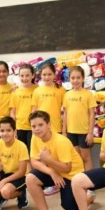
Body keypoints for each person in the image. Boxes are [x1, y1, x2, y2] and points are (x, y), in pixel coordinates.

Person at [25, 110, 85, 210]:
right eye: (34, 126)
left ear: (49, 125)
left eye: (40, 125)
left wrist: (48, 160)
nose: (37, 129)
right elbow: (34, 161)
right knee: (30, 178)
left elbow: (67, 168)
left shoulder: (61, 141)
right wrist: (51, 171)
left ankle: (86, 197)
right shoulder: (35, 138)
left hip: (73, 175)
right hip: (56, 171)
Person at [32, 61, 66, 195]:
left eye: (49, 74)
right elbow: (34, 110)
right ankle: (48, 180)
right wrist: (34, 127)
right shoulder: (37, 91)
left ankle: (57, 182)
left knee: (55, 157)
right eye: (44, 74)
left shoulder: (60, 90)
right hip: (41, 129)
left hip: (55, 127)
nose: (46, 77)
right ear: (40, 75)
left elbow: (65, 111)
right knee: (44, 156)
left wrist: (63, 129)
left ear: (54, 75)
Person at [62, 66, 96, 171]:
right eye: (73, 78)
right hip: (71, 132)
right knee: (77, 158)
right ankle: (78, 181)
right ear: (69, 79)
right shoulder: (67, 95)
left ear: (83, 78)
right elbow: (65, 114)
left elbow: (92, 114)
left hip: (84, 132)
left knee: (86, 157)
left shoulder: (88, 94)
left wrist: (90, 133)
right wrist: (64, 131)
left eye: (78, 77)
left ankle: (89, 182)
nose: (75, 80)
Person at [10, 63, 37, 151]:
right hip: (19, 127)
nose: (24, 78)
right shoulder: (15, 92)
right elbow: (12, 112)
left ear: (33, 75)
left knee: (33, 153)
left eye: (27, 75)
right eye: (22, 76)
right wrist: (13, 129)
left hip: (33, 127)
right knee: (22, 153)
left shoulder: (38, 90)